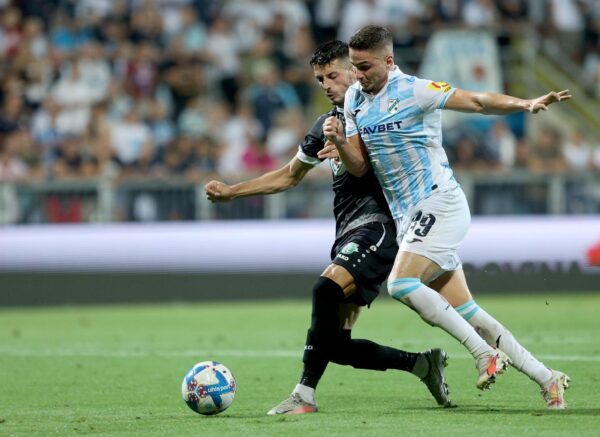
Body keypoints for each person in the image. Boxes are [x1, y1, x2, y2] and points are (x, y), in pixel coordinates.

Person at [321, 25, 571, 409]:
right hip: (409, 219)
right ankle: (547, 378)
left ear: (389, 60)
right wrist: (339, 142)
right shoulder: (355, 98)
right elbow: (358, 167)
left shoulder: (416, 90)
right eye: (354, 66)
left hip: (439, 203)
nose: (358, 74)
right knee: (470, 312)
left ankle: (483, 354)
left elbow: (477, 101)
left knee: (401, 284)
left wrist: (524, 104)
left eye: (365, 66)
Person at [205, 41, 451, 415]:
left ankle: (303, 395)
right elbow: (289, 176)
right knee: (334, 344)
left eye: (332, 75)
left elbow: (374, 162)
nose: (326, 84)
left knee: (325, 288)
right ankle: (422, 365)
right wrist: (232, 191)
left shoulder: (377, 114)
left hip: (380, 226)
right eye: (320, 79)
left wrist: (347, 144)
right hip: (348, 231)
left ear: (354, 71)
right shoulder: (326, 124)